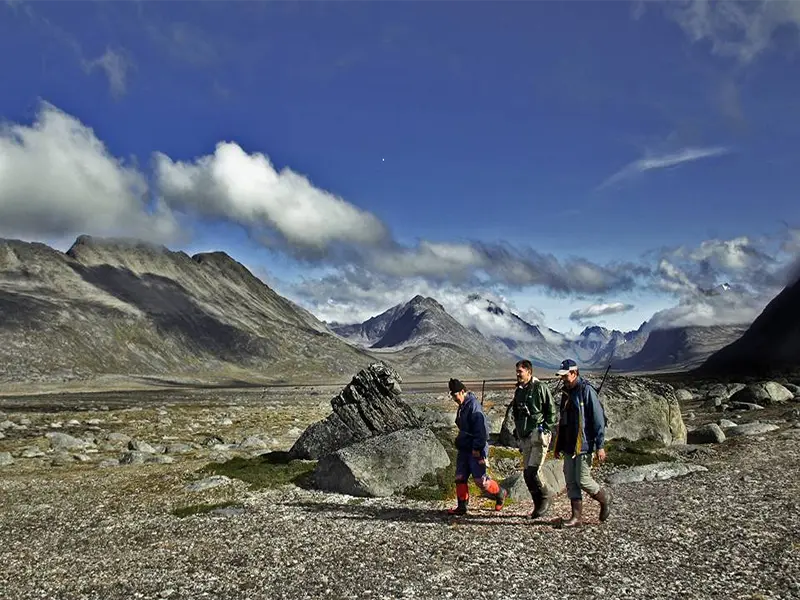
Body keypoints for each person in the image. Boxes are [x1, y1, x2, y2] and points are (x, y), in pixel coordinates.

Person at [552, 359, 612, 527]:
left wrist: (600, 445)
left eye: (565, 375)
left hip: (584, 443)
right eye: (562, 376)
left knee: (583, 480)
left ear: (574, 373)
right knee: (571, 481)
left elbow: (598, 419)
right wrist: (558, 445)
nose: (563, 379)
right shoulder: (566, 393)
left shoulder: (587, 391)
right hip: (569, 444)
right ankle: (576, 518)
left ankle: (605, 498)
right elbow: (563, 421)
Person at [446, 378, 507, 515]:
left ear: (462, 391)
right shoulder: (463, 406)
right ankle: (462, 506)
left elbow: (481, 430)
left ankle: (500, 493)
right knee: (460, 477)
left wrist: (477, 448)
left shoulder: (473, 406)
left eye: (455, 395)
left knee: (481, 481)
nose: (454, 399)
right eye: (452, 396)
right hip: (464, 447)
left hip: (475, 448)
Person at [511, 359, 557, 518]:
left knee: (533, 471)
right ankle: (537, 505)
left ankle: (546, 497)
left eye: (520, 371)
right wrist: (518, 429)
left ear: (529, 372)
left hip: (538, 435)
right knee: (527, 474)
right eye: (517, 371)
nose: (517, 374)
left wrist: (546, 428)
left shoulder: (540, 388)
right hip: (525, 437)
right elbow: (516, 412)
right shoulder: (519, 391)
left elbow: (551, 410)